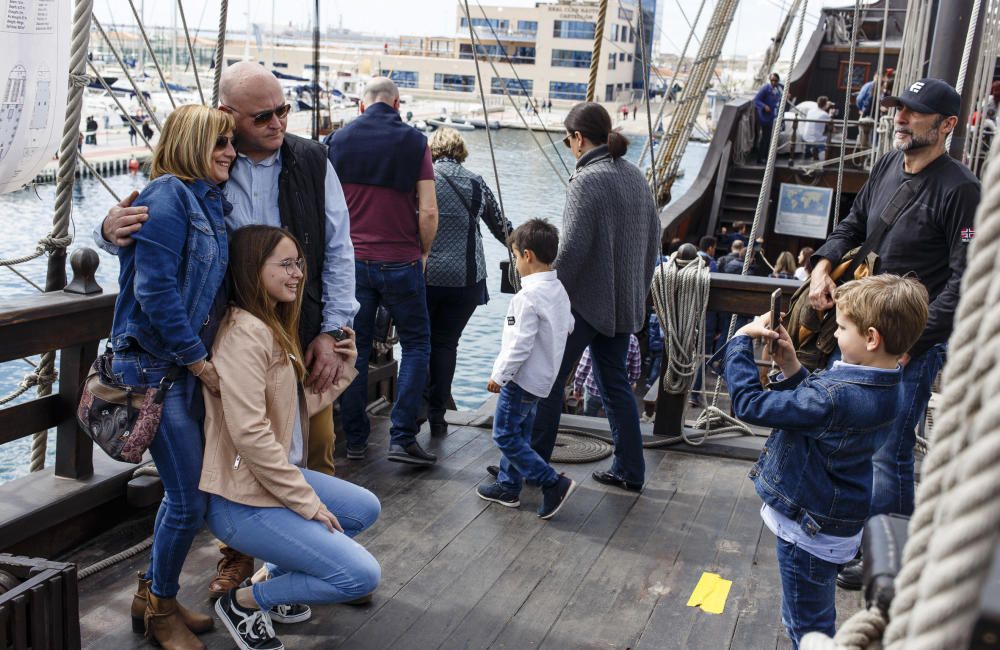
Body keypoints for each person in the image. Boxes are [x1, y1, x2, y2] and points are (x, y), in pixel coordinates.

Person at [97, 60, 359, 600]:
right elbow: (146, 230)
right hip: (229, 336)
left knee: (312, 442)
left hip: (296, 328)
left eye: (284, 110)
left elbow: (338, 248)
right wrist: (104, 229)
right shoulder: (208, 165)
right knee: (237, 448)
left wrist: (333, 328)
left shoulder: (311, 160)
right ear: (227, 116)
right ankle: (239, 562)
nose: (278, 122)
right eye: (263, 115)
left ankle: (322, 559)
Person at [808, 78, 980, 589]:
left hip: (909, 348)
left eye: (914, 112)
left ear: (947, 125)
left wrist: (909, 343)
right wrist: (821, 265)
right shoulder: (886, 164)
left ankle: (888, 557)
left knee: (888, 453)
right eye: (898, 109)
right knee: (842, 436)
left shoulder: (961, 190)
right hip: (860, 336)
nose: (900, 118)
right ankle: (848, 534)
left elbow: (964, 280)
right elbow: (853, 225)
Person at [713, 274, 928, 649]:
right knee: (807, 613)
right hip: (837, 521)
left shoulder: (836, 395)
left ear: (872, 338)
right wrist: (794, 369)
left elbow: (751, 405)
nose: (837, 334)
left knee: (807, 626)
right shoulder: (892, 383)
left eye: (843, 327)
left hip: (808, 529)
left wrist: (739, 342)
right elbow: (830, 422)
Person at [202, 226, 380, 650]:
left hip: (265, 483)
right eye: (285, 264)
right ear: (251, 269)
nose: (297, 273)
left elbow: (289, 412)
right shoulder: (244, 336)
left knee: (363, 508)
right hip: (240, 499)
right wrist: (307, 502)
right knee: (360, 576)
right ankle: (244, 602)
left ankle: (279, 587)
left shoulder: (270, 325)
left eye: (299, 263)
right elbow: (250, 434)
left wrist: (345, 366)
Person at [110, 104, 236, 648]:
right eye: (219, 143)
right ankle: (160, 609)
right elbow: (154, 291)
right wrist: (197, 359)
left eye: (231, 141)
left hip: (173, 367)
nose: (230, 152)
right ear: (190, 144)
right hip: (155, 367)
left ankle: (153, 595)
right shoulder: (167, 197)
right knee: (189, 499)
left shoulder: (205, 200)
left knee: (183, 495)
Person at [519, 102, 660, 493]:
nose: (569, 146)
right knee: (616, 387)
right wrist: (636, 290)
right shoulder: (635, 176)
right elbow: (653, 242)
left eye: (568, 140)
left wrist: (541, 292)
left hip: (583, 306)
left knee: (546, 380)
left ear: (579, 138)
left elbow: (574, 251)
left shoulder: (586, 180)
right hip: (623, 305)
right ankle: (631, 470)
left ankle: (532, 468)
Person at [326, 77, 439, 466]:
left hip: (353, 262)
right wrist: (422, 251)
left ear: (361, 104)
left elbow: (329, 208)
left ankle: (356, 441)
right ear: (398, 103)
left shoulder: (338, 141)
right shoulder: (415, 141)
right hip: (401, 260)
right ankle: (402, 437)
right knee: (418, 344)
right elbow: (428, 209)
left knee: (353, 350)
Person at [477, 219, 577, 519]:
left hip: (520, 381)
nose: (516, 264)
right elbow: (569, 325)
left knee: (505, 434)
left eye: (516, 256)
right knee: (521, 431)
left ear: (528, 255)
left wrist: (499, 376)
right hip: (543, 380)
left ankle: (552, 482)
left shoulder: (527, 297)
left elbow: (518, 345)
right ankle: (508, 485)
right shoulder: (558, 290)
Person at [425, 127, 511, 436]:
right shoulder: (476, 182)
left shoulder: (422, 181)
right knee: (447, 343)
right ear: (461, 151)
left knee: (419, 343)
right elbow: (502, 228)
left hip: (426, 277)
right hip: (466, 279)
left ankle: (412, 414)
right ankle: (438, 417)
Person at [574, 334, 641, 416]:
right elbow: (635, 372)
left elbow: (584, 366)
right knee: (610, 422)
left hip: (593, 390)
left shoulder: (596, 334)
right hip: (616, 392)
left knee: (588, 417)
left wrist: (577, 387)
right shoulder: (632, 340)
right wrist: (629, 383)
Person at [753, 73, 783, 164]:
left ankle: (766, 156)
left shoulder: (778, 88)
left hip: (772, 118)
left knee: (769, 138)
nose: (773, 82)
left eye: (775, 81)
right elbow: (756, 100)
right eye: (772, 80)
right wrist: (764, 106)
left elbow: (782, 87)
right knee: (765, 138)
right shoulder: (766, 88)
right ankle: (760, 158)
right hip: (765, 118)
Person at [803, 96, 832, 160]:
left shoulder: (810, 111)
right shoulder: (824, 114)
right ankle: (820, 152)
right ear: (825, 104)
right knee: (830, 140)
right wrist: (830, 115)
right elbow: (832, 128)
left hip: (805, 138)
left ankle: (809, 151)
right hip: (815, 140)